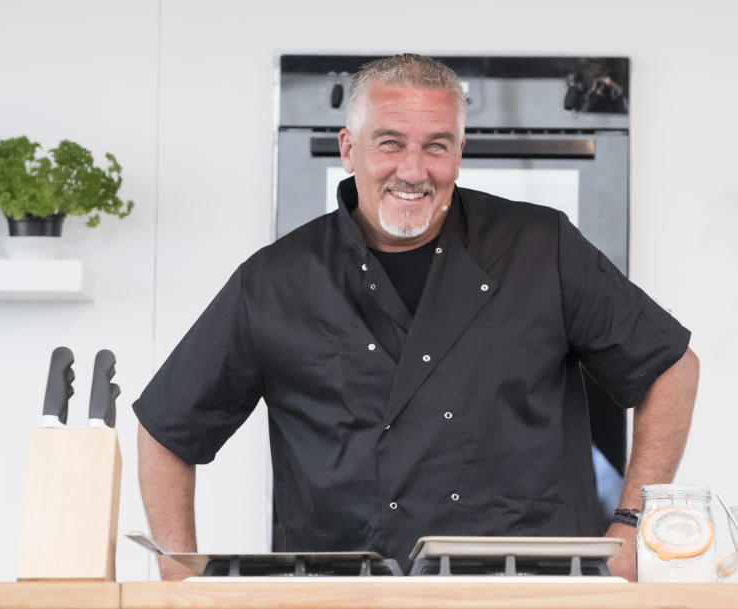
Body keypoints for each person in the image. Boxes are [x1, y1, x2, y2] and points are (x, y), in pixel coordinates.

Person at [135, 53, 699, 581]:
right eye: (390, 143)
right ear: (348, 148)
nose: (414, 169)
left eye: (437, 145)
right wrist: (180, 577)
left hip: (530, 586)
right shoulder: (274, 280)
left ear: (459, 151)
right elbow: (168, 428)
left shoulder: (539, 244)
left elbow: (670, 366)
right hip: (348, 592)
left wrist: (630, 528)